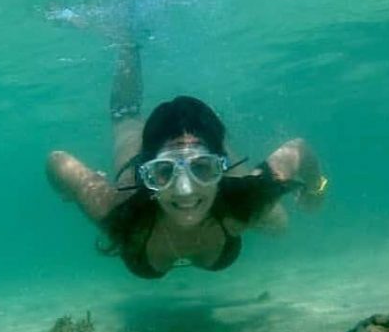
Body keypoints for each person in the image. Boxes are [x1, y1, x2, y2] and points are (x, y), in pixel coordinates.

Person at [46, 40, 328, 278]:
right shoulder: (120, 212)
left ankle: (208, 136)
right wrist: (74, 193)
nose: (185, 190)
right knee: (125, 116)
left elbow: (299, 149)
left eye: (202, 169)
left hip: (225, 185)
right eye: (164, 171)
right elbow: (57, 162)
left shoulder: (244, 202)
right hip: (142, 176)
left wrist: (317, 189)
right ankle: (127, 42)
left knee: (279, 226)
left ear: (221, 168)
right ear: (148, 172)